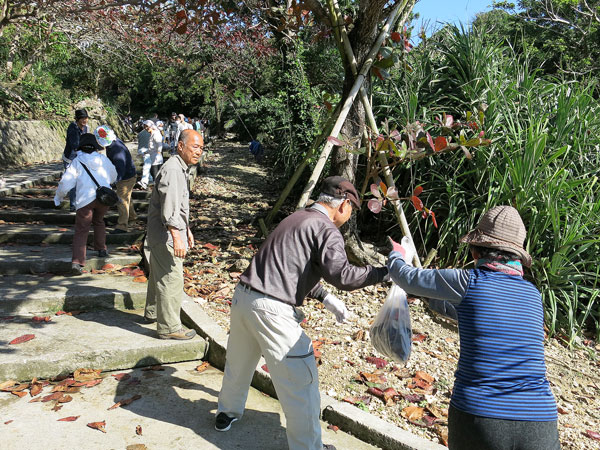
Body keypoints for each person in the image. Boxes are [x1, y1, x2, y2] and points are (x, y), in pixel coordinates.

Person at [215, 176, 389, 450]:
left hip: (243, 297)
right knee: (301, 383)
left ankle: (226, 412)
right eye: (351, 210)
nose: (349, 216)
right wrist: (383, 273)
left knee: (238, 364)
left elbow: (289, 266)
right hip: (272, 311)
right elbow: (342, 275)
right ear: (344, 204)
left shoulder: (296, 218)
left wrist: (324, 297)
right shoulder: (327, 229)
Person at [387, 206, 559, 450]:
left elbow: (405, 276)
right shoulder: (533, 295)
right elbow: (473, 315)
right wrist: (430, 297)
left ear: (477, 250)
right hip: (540, 420)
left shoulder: (467, 281)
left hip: (481, 415)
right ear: (517, 256)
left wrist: (397, 254)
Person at [143, 129, 203, 339]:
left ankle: (152, 312)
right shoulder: (173, 170)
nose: (199, 152)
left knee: (159, 273)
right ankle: (169, 328)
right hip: (165, 234)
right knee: (172, 278)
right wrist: (177, 236)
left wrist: (186, 230)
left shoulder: (179, 168)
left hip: (163, 232)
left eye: (201, 148)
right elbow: (169, 208)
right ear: (180, 146)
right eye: (195, 147)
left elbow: (178, 205)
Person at [54, 133, 117, 275]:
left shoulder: (77, 161)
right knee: (99, 222)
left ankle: (77, 262)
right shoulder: (103, 159)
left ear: (81, 147)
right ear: (95, 146)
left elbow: (66, 182)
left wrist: (59, 197)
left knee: (82, 229)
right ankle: (101, 249)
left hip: (85, 199)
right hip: (103, 198)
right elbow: (113, 175)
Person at [98, 125, 138, 234]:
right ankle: (132, 218)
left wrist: (115, 181)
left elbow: (120, 166)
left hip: (125, 177)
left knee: (121, 200)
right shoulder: (115, 143)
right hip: (129, 174)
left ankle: (122, 226)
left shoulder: (116, 149)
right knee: (127, 197)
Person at [63, 109, 89, 211]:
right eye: (82, 118)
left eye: (86, 118)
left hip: (80, 158)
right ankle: (73, 205)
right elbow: (75, 144)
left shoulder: (85, 128)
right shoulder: (73, 128)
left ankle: (80, 203)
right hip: (70, 158)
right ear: (77, 119)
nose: (84, 120)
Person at [137, 120, 153, 189]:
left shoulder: (140, 133)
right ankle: (144, 181)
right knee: (147, 165)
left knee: (147, 164)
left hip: (140, 150)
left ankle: (150, 178)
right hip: (147, 150)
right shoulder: (151, 133)